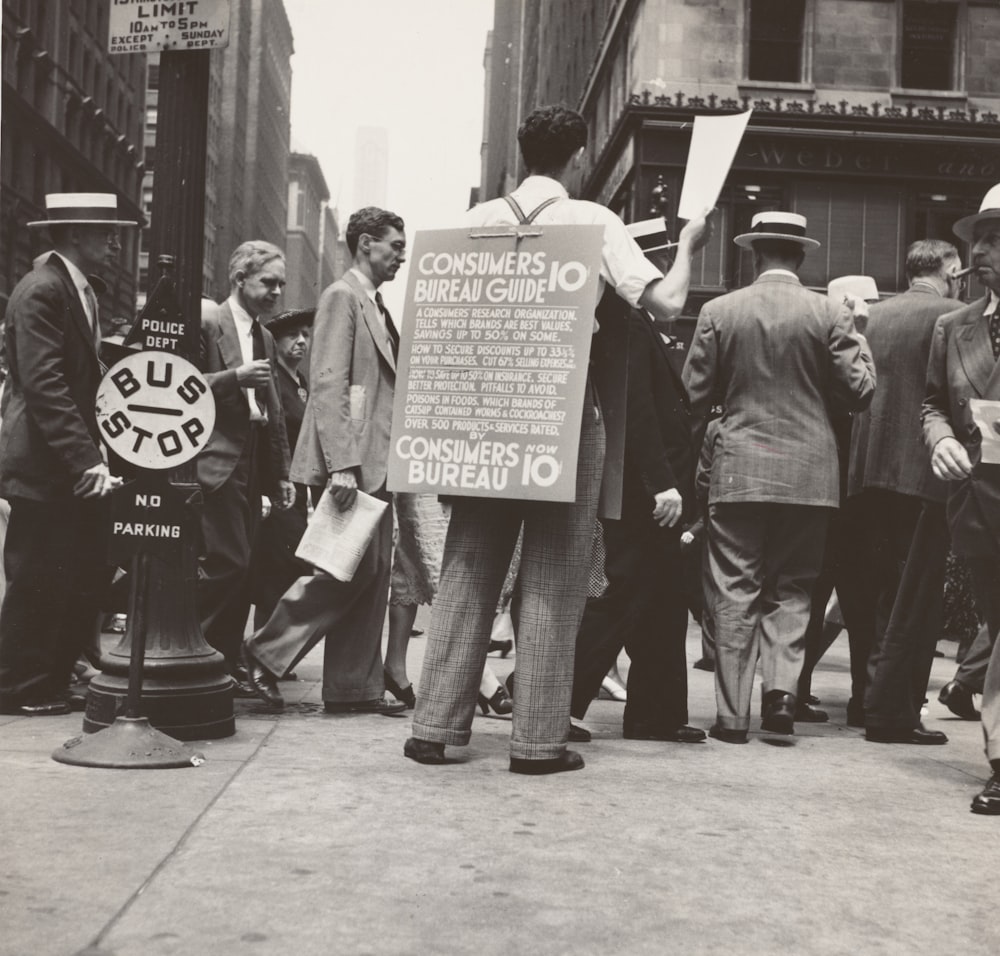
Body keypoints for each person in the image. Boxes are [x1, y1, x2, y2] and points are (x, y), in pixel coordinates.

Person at [404, 104, 712, 774]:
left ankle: (433, 726)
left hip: (485, 412)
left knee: (468, 567)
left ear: (522, 153)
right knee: (554, 576)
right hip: (565, 413)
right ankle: (538, 741)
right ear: (577, 157)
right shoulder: (595, 221)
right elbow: (665, 305)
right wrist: (688, 246)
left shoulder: (473, 221)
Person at [682, 210, 876, 744]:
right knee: (793, 587)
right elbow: (859, 392)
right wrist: (858, 334)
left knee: (734, 587)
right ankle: (782, 696)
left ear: (754, 252)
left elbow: (693, 399)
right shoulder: (830, 312)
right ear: (802, 255)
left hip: (739, 470)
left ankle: (731, 715)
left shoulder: (720, 310)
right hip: (812, 475)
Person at [243, 207, 407, 717]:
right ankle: (264, 658)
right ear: (364, 245)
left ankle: (354, 688)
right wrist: (341, 463)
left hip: (375, 462)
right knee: (342, 570)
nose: (402, 253)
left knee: (373, 571)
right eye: (394, 244)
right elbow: (331, 382)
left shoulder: (374, 305)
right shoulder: (342, 297)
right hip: (354, 462)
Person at [0, 193, 133, 715]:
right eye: (106, 232)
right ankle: (16, 687)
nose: (115, 242)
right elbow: (44, 384)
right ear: (76, 234)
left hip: (63, 464)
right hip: (44, 465)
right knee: (38, 577)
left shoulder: (71, 289)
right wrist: (87, 461)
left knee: (74, 573)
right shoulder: (43, 290)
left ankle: (47, 679)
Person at [568, 307, 706, 745]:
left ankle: (657, 713)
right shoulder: (626, 321)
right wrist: (661, 483)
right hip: (645, 490)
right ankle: (553, 699)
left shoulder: (631, 320)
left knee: (663, 597)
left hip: (646, 486)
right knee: (625, 591)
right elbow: (635, 408)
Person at [845, 243, 964, 744]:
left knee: (866, 592)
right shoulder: (956, 317)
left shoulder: (876, 315)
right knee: (913, 601)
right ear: (951, 272)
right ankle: (896, 710)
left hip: (866, 472)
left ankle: (863, 697)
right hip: (923, 475)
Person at [922, 182, 1000, 814]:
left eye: (996, 238)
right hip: (978, 505)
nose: (981, 250)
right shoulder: (954, 326)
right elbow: (930, 403)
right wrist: (941, 436)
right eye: (979, 238)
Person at [196, 241, 294, 683]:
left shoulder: (265, 335)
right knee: (228, 563)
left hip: (254, 460)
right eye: (268, 283)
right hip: (218, 457)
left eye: (281, 285)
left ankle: (222, 660)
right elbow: (179, 384)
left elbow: (271, 411)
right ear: (240, 280)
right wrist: (232, 378)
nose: (277, 292)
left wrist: (281, 475)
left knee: (245, 567)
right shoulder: (209, 321)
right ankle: (195, 652)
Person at [249, 308, 315, 629]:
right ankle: (261, 648)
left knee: (290, 569)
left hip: (299, 492)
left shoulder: (302, 382)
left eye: (305, 334)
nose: (301, 341)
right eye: (293, 335)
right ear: (275, 342)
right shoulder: (271, 377)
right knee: (274, 572)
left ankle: (270, 650)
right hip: (275, 489)